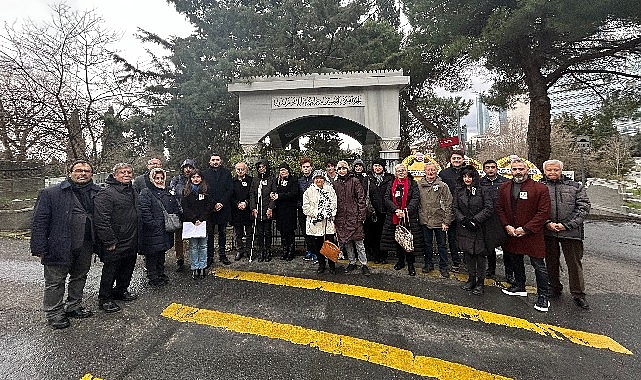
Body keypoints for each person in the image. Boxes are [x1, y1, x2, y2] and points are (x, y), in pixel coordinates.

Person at [31, 160, 101, 329]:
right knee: (55, 281)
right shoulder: (51, 193)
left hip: (85, 244)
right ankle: (54, 313)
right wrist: (39, 247)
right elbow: (39, 222)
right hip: (58, 244)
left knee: (79, 277)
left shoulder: (97, 192)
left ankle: (74, 306)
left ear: (92, 174)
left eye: (87, 171)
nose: (83, 173)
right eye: (78, 170)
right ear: (70, 173)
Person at [496, 159, 552, 312]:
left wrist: (526, 229)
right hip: (512, 232)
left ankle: (543, 296)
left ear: (527, 170)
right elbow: (499, 208)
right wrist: (506, 225)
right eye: (514, 169)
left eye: (521, 168)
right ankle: (520, 286)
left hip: (532, 234)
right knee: (515, 260)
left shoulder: (540, 188)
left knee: (538, 265)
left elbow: (543, 213)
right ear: (510, 171)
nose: (518, 172)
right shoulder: (505, 187)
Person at [541, 159, 591, 310]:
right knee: (550, 262)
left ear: (561, 170)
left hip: (571, 232)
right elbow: (536, 208)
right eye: (549, 170)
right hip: (548, 231)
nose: (552, 172)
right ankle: (554, 287)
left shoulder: (575, 186)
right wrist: (547, 223)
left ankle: (578, 294)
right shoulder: (540, 187)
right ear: (545, 171)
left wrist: (566, 225)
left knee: (574, 264)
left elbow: (583, 207)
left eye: (555, 170)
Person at [93, 163, 140, 313]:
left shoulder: (132, 190)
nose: (126, 174)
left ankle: (121, 290)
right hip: (116, 240)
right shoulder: (106, 193)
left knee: (128, 267)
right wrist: (109, 241)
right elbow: (101, 219)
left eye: (129, 172)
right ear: (114, 175)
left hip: (132, 238)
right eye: (122, 172)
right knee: (111, 270)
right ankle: (105, 298)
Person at [453, 166, 493, 295]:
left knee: (480, 255)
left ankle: (480, 282)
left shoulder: (483, 190)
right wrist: (463, 220)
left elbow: (488, 208)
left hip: (479, 227)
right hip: (465, 227)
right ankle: (471, 279)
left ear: (474, 177)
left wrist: (475, 220)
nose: (467, 179)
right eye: (465, 176)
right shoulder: (459, 190)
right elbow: (455, 207)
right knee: (468, 254)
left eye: (469, 176)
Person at [380, 164, 424, 276]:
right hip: (394, 216)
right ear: (395, 173)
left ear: (406, 172)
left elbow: (415, 198)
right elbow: (386, 198)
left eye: (403, 170)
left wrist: (405, 211)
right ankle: (400, 261)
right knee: (398, 240)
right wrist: (395, 210)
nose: (401, 172)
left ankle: (410, 264)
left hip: (409, 217)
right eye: (399, 171)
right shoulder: (391, 184)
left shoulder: (412, 183)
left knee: (409, 241)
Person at [138, 168, 180, 286]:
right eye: (157, 178)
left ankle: (161, 273)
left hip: (164, 229)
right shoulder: (146, 192)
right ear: (152, 179)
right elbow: (144, 210)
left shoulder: (167, 191)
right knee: (152, 255)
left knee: (161, 252)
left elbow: (173, 206)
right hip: (152, 230)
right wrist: (152, 224)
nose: (160, 180)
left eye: (162, 178)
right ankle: (153, 277)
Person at [417, 162, 453, 278]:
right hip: (425, 220)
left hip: (440, 221)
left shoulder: (443, 186)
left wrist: (446, 221)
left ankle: (444, 267)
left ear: (436, 171)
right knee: (427, 244)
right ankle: (428, 264)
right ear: (425, 171)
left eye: (433, 170)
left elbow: (449, 203)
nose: (431, 172)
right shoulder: (419, 185)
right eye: (428, 170)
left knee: (442, 245)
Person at [333, 160, 370, 276]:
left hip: (354, 216)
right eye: (339, 169)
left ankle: (364, 264)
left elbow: (361, 199)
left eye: (344, 168)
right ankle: (352, 262)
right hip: (341, 218)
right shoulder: (335, 183)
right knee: (347, 241)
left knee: (359, 242)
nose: (342, 171)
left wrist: (361, 215)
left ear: (347, 169)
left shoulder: (355, 181)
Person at [480, 159, 510, 281]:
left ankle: (509, 273)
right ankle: (491, 269)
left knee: (506, 246)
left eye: (493, 167)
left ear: (497, 168)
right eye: (488, 167)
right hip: (487, 218)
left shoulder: (505, 182)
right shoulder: (481, 183)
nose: (491, 169)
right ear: (484, 169)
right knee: (489, 246)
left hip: (502, 217)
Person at [302, 170, 338, 274]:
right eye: (316, 178)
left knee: (330, 244)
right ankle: (321, 264)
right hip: (315, 223)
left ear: (324, 179)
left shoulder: (330, 189)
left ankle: (332, 266)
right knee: (318, 245)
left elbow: (334, 203)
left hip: (328, 222)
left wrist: (327, 213)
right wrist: (318, 213)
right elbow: (306, 208)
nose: (319, 180)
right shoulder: (309, 191)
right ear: (313, 180)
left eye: (321, 178)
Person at [181, 170, 214, 279]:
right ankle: (195, 267)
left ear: (201, 178)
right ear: (190, 178)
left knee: (203, 246)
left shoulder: (206, 189)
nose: (196, 179)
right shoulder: (186, 191)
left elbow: (209, 205)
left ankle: (203, 266)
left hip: (204, 222)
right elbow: (185, 207)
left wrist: (201, 218)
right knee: (193, 246)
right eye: (193, 177)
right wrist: (194, 219)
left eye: (198, 177)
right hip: (191, 223)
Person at [202, 153, 233, 266]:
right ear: (209, 162)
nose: (215, 162)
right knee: (210, 234)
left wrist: (221, 203)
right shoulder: (204, 174)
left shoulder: (227, 173)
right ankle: (210, 256)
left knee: (223, 233)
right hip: (210, 209)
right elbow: (204, 190)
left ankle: (222, 255)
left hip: (223, 208)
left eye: (217, 160)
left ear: (221, 161)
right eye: (213, 160)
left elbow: (230, 190)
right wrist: (213, 204)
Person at [438, 149, 465, 272]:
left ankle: (467, 260)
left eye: (459, 158)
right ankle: (456, 261)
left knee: (466, 236)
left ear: (463, 159)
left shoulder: (468, 172)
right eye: (454, 158)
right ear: (450, 159)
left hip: (466, 210)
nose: (456, 160)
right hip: (450, 210)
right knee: (452, 237)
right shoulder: (443, 174)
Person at [169, 159, 195, 272]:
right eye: (186, 167)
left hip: (192, 214)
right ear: (182, 168)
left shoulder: (196, 179)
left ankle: (195, 260)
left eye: (190, 167)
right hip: (179, 213)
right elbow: (172, 195)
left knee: (193, 237)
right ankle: (180, 259)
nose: (188, 169)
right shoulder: (176, 180)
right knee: (179, 239)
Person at [365, 158, 394, 264]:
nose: (377, 168)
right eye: (375, 166)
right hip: (372, 212)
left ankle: (384, 256)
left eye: (380, 166)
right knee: (373, 234)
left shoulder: (389, 178)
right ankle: (375, 255)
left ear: (383, 167)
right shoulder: (368, 179)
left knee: (385, 234)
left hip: (386, 211)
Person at [250, 160, 277, 262]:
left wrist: (270, 208)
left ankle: (268, 251)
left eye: (263, 167)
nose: (261, 169)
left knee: (267, 231)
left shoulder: (271, 179)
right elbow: (252, 194)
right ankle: (261, 251)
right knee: (260, 232)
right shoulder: (255, 180)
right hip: (258, 209)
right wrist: (253, 208)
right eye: (259, 167)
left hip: (267, 209)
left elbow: (274, 194)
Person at [272, 162, 299, 261]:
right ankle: (285, 251)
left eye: (284, 170)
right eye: (281, 170)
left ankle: (291, 252)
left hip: (290, 210)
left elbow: (293, 193)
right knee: (282, 231)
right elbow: (274, 191)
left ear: (288, 170)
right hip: (280, 210)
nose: (282, 172)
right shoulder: (277, 181)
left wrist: (280, 196)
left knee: (290, 232)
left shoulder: (293, 180)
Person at [231, 162, 253, 261]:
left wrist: (246, 203)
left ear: (246, 170)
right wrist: (237, 204)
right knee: (238, 234)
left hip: (247, 210)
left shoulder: (251, 180)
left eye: (242, 169)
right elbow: (230, 196)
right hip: (236, 211)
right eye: (238, 169)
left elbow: (253, 194)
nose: (240, 171)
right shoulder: (232, 181)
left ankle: (248, 250)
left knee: (249, 233)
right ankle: (240, 250)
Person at [297, 157, 315, 261]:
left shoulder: (315, 179)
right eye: (304, 167)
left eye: (308, 167)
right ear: (301, 168)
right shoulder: (299, 180)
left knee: (314, 232)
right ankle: (309, 250)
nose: (306, 169)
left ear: (311, 168)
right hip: (302, 209)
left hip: (313, 210)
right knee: (305, 232)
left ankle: (315, 251)